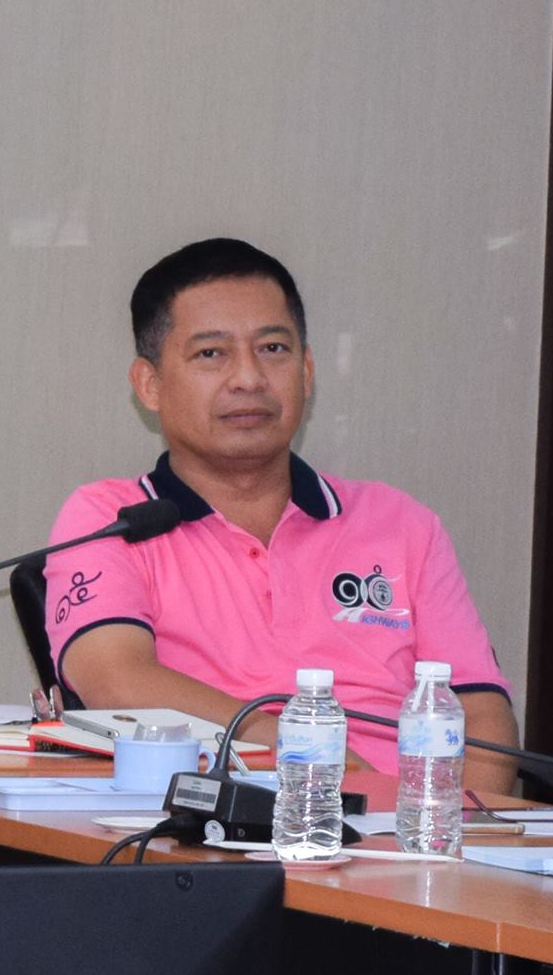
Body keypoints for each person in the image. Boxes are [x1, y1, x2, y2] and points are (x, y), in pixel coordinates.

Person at [45, 238, 520, 788]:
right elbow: (116, 681)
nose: (249, 378)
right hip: (216, 814)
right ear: (149, 385)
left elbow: (481, 714)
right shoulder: (113, 519)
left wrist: (445, 823)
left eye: (273, 349)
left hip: (404, 822)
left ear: (307, 370)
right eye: (211, 354)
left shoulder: (402, 524)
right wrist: (312, 752)